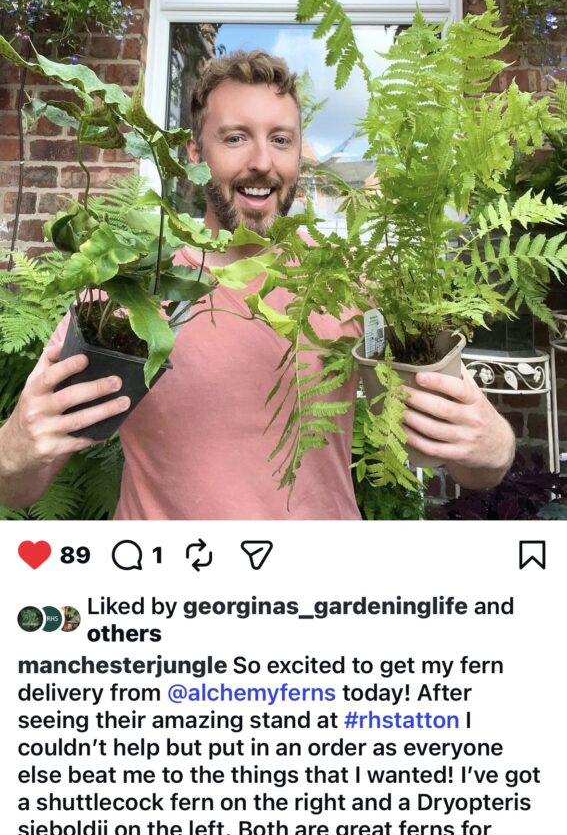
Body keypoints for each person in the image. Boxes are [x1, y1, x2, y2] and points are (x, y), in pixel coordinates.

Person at [0, 50, 515, 519]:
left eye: (281, 140)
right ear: (194, 153)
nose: (263, 163)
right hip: (168, 581)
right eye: (235, 137)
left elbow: (454, 455)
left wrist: (493, 449)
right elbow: (19, 486)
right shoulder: (125, 292)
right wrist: (16, 447)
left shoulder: (353, 283)